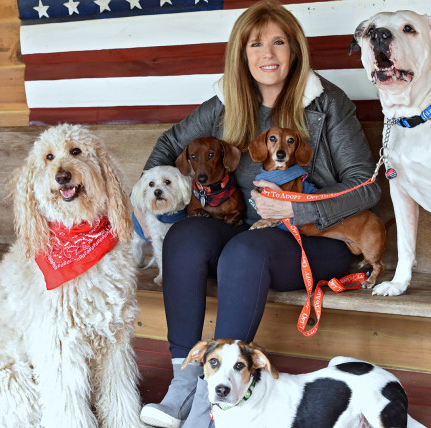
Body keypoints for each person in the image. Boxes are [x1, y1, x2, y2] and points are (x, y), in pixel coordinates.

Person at [138, 1, 381, 427]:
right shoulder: (227, 102)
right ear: (242, 53)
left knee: (246, 251)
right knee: (184, 239)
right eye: (256, 44)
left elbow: (366, 182)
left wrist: (298, 205)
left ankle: (210, 405)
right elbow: (168, 145)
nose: (267, 54)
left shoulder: (327, 103)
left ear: (295, 50)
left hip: (316, 239)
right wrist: (155, 198)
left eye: (278, 42)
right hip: (248, 232)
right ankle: (185, 384)